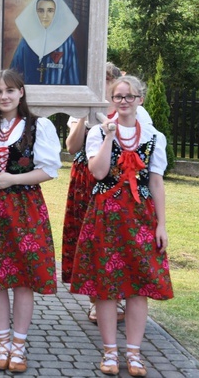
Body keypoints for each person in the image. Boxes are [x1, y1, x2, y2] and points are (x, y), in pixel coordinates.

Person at [69, 75, 172, 377]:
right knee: (106, 288)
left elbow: (156, 182)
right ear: (111, 100)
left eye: (130, 96)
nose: (124, 101)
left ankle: (135, 354)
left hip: (141, 217)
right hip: (106, 216)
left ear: (140, 100)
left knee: (138, 287)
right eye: (118, 96)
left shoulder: (154, 137)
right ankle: (110, 352)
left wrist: (162, 225)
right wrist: (109, 136)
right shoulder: (97, 133)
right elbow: (99, 173)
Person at [0, 69, 61, 373]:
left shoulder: (38, 126)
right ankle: (2, 344)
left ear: (21, 93)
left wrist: (11, 180)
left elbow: (49, 170)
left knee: (23, 280)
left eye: (10, 90)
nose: (4, 96)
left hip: (25, 209)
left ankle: (19, 346)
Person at [62, 63, 154, 323]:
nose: (97, 86)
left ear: (112, 82)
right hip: (86, 177)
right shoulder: (81, 109)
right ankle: (96, 300)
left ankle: (122, 294)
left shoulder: (133, 110)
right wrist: (84, 114)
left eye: (102, 80)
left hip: (122, 180)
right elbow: (71, 147)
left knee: (122, 237)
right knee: (89, 235)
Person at [9, 0, 80, 85]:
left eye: (50, 11)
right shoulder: (27, 40)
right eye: (41, 11)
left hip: (58, 97)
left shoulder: (67, 42)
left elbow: (73, 79)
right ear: (35, 13)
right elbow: (13, 74)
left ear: (57, 13)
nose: (45, 16)